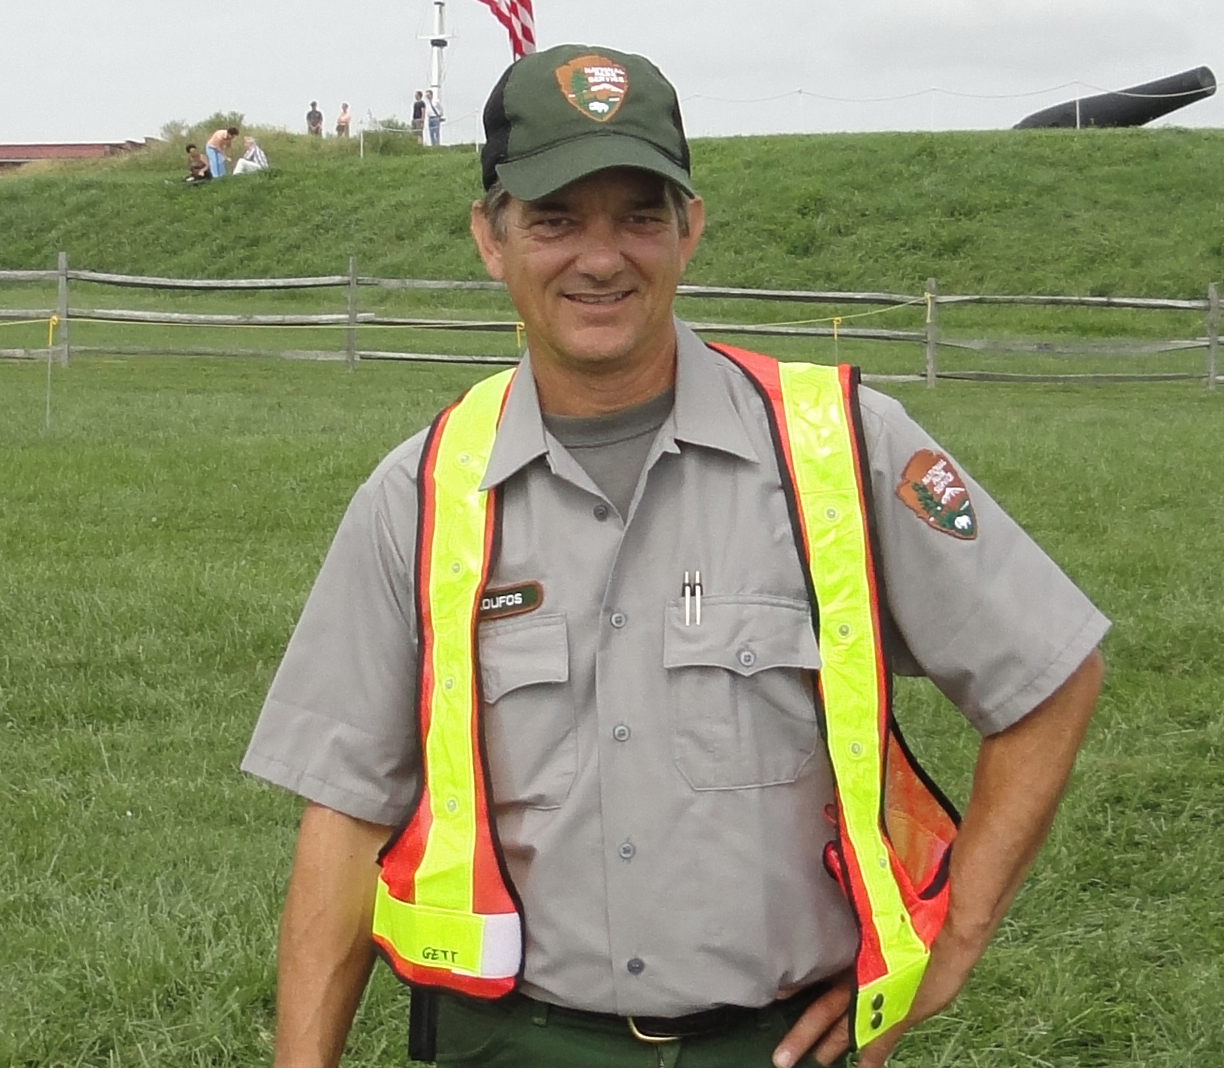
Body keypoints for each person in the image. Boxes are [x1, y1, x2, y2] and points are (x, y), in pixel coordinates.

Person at [243, 43, 1109, 1068]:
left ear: (690, 227)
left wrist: (955, 935)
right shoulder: (420, 495)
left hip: (772, 1047)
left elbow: (1049, 673)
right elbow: (344, 817)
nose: (600, 258)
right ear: (491, 237)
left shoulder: (841, 448)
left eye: (639, 217)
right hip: (515, 1045)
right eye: (555, 220)